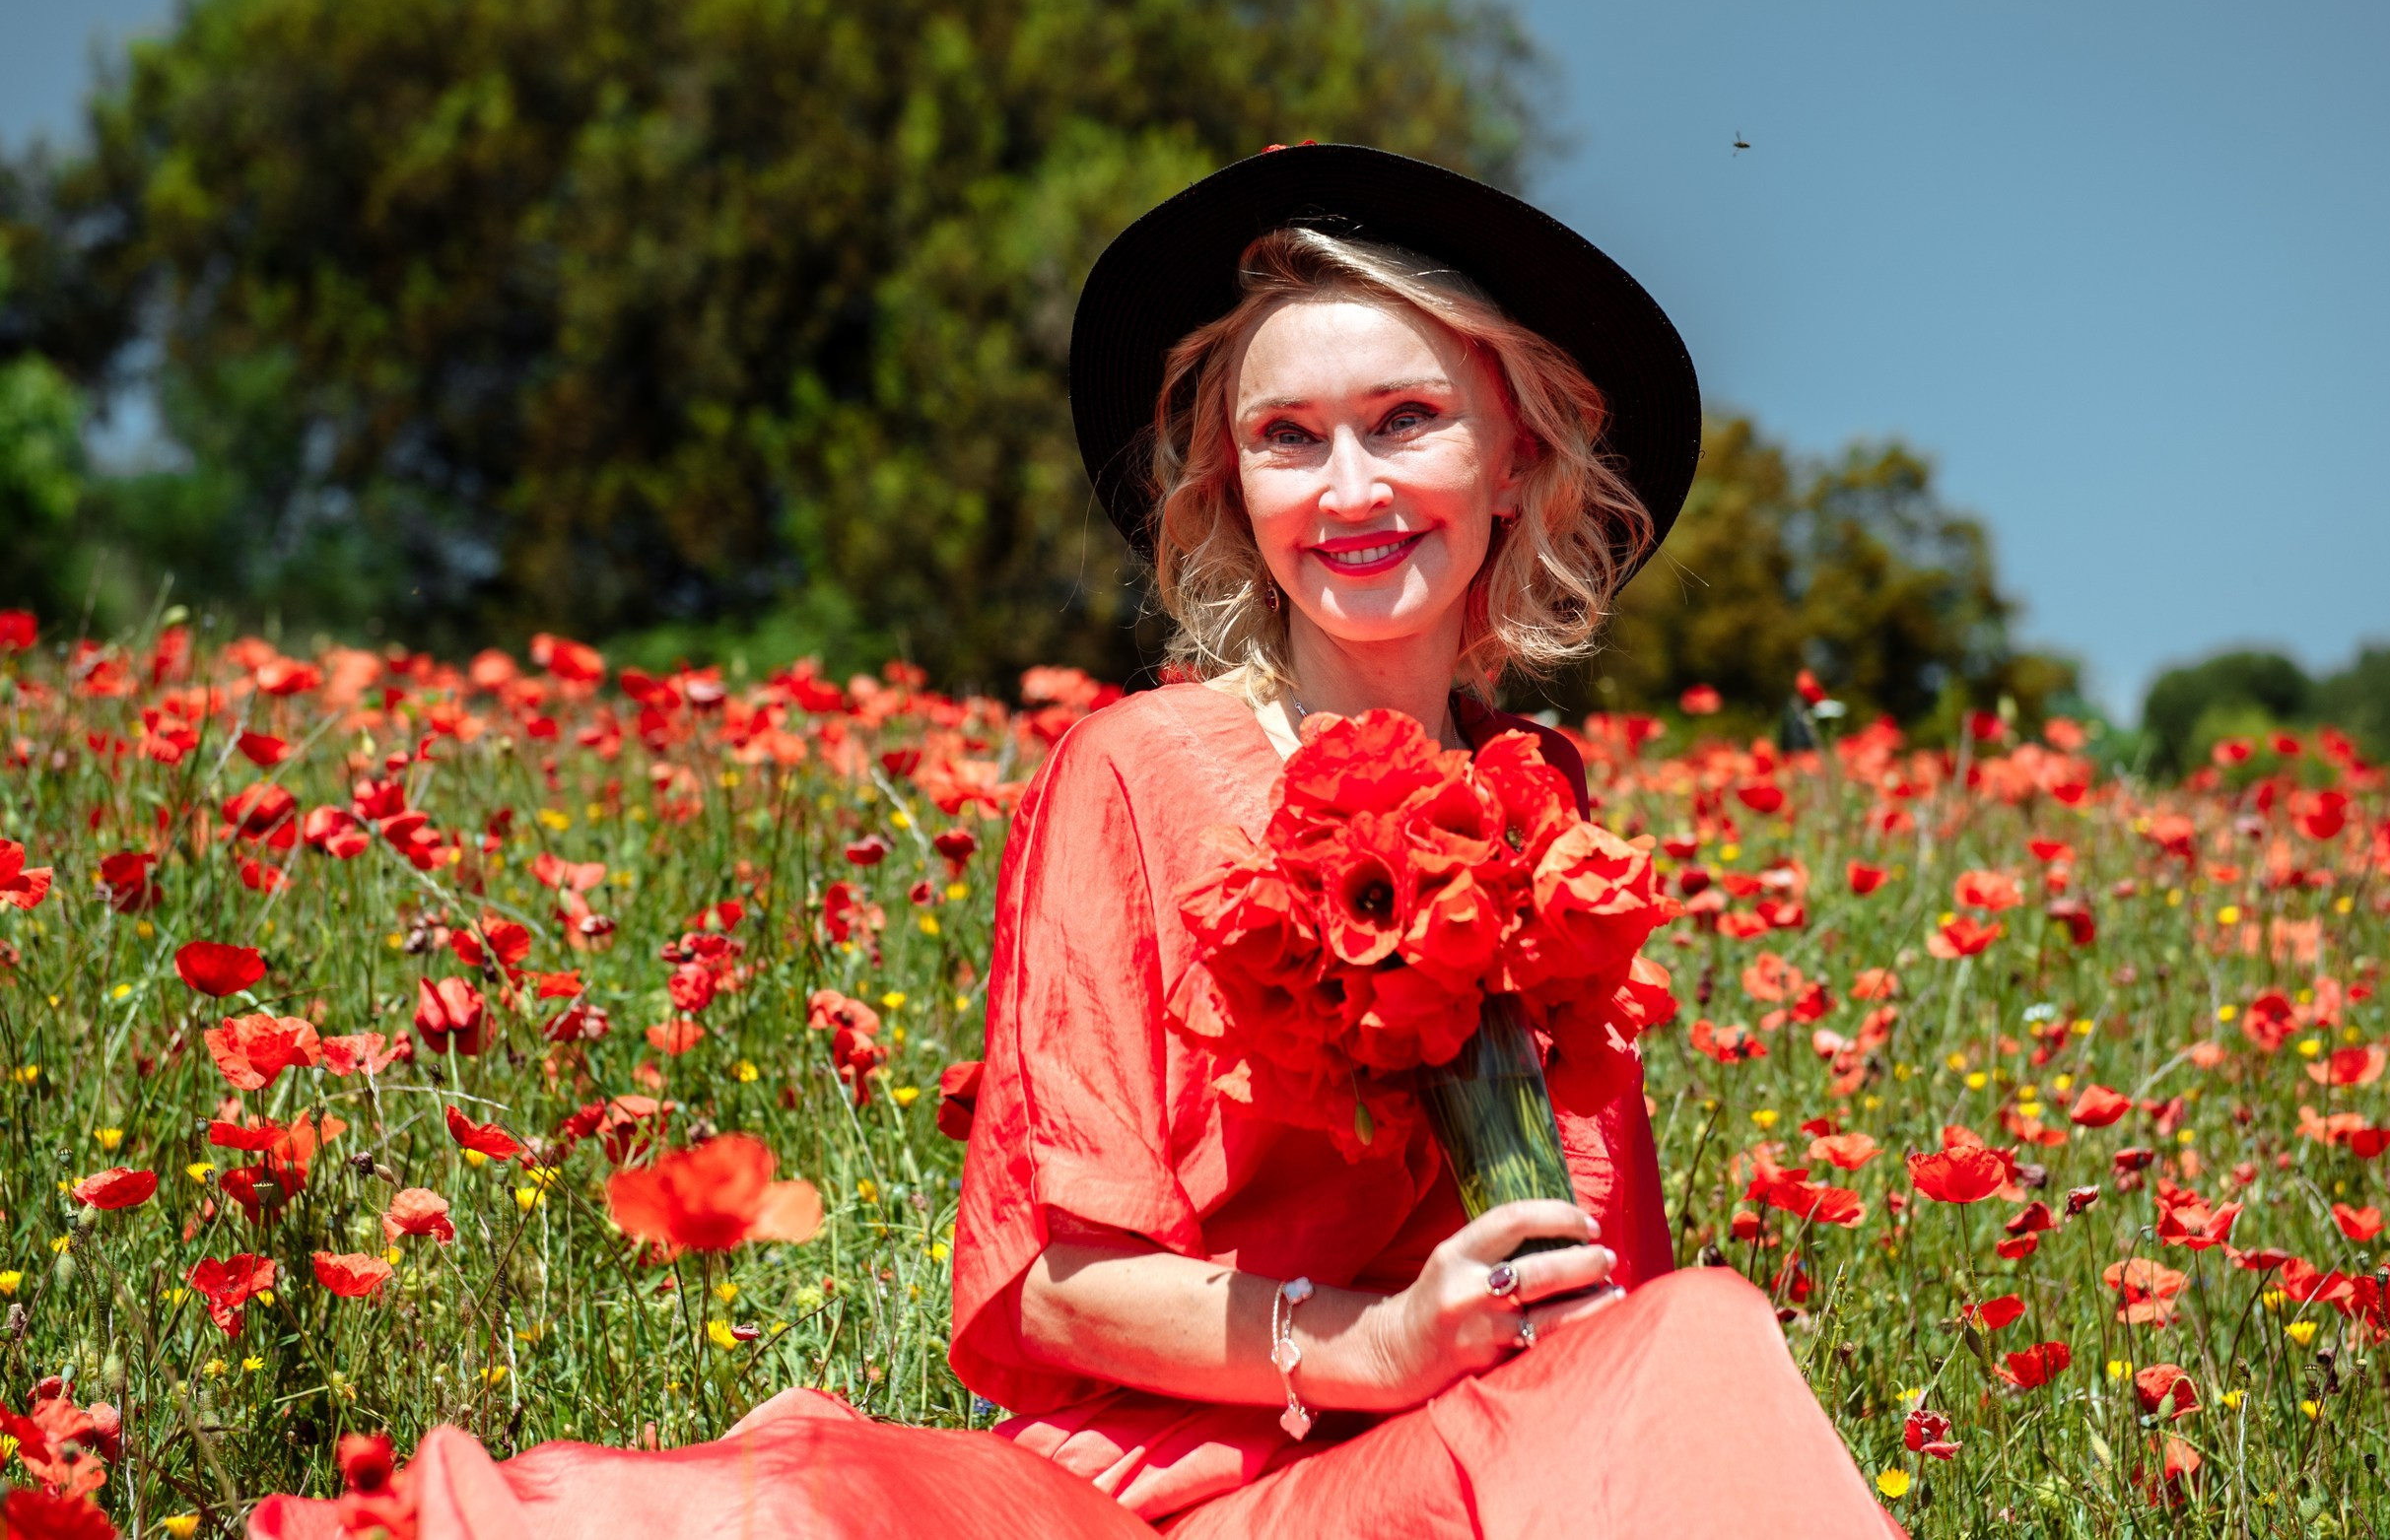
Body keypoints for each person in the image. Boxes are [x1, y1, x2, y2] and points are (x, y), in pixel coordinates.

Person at [247, 146, 1897, 1540]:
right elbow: (1051, 1284)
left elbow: (1601, 1293)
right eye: (1286, 437)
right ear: (1229, 481)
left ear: (1515, 449)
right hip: (1168, 1497)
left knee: (1690, 1340)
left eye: (1406, 419)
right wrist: (1382, 1339)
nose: (1350, 487)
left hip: (1445, 1470)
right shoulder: (1134, 772)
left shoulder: (1550, 817)